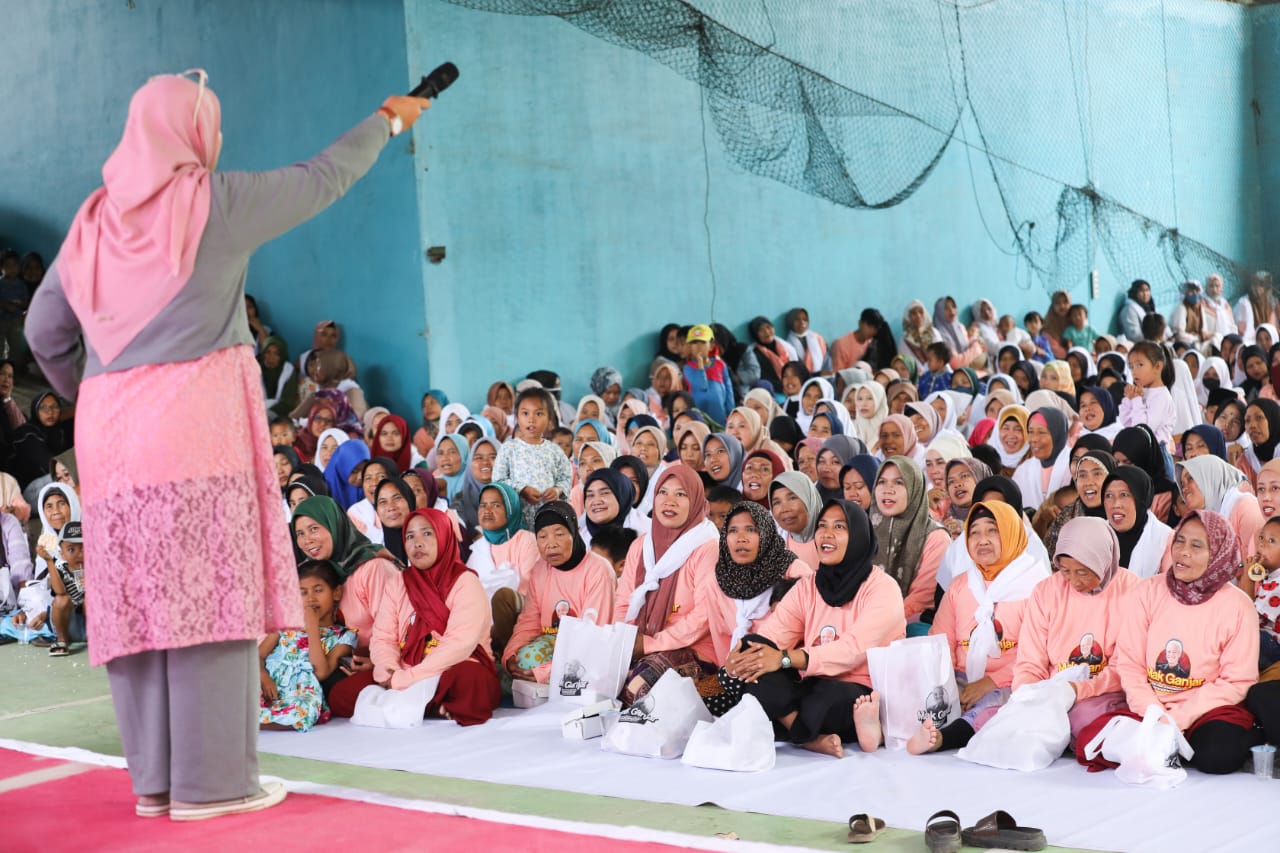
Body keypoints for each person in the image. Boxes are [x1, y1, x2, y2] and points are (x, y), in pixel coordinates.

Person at [24, 71, 431, 818]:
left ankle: (155, 784)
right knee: (208, 598)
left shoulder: (90, 222)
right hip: (194, 435)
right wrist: (388, 119)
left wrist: (94, 384)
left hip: (111, 446)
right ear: (195, 135)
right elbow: (323, 176)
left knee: (141, 604)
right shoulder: (212, 202)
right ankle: (214, 785)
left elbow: (42, 334)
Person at [724, 500, 906, 757]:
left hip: (861, 688)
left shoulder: (882, 588)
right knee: (753, 655)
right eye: (822, 526)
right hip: (810, 680)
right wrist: (741, 655)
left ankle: (794, 727)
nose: (827, 533)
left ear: (858, 537)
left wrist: (785, 659)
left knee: (824, 700)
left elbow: (852, 650)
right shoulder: (808, 586)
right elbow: (772, 635)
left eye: (839, 527)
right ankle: (808, 737)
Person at [1110, 510, 1262, 774]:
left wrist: (1180, 717)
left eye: (1196, 545)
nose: (1182, 552)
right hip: (1151, 704)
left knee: (1217, 755)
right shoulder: (1146, 592)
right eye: (1179, 541)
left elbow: (1237, 679)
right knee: (1107, 746)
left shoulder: (1238, 605)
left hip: (1206, 708)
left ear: (1217, 554)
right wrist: (1154, 713)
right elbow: (1129, 663)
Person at [910, 501, 1049, 755]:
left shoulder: (1035, 586)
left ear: (1010, 534)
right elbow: (941, 639)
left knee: (997, 705)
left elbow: (1037, 654)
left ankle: (943, 738)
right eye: (974, 532)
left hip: (1011, 681)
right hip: (961, 678)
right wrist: (947, 683)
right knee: (922, 692)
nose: (982, 540)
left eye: (992, 531)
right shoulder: (962, 585)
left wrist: (989, 682)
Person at [343, 509, 501, 725]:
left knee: (471, 681)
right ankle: (434, 706)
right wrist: (389, 670)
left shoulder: (465, 582)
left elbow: (459, 644)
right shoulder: (399, 581)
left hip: (453, 666)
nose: (417, 543)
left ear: (444, 536)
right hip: (405, 668)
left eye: (427, 533)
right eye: (410, 536)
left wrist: (407, 679)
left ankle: (414, 703)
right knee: (341, 693)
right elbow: (384, 636)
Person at [1013, 517, 1139, 744]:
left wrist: (1076, 690)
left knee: (1084, 719)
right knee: (992, 719)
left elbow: (1125, 667)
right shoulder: (1046, 592)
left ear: (1102, 560)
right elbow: (1030, 662)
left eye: (1082, 572)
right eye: (1065, 571)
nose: (1074, 582)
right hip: (1051, 692)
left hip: (1104, 692)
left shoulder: (1133, 592)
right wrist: (1029, 697)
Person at [614, 464, 719, 704]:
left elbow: (703, 617)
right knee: (593, 672)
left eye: (680, 494)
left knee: (637, 686)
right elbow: (623, 602)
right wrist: (624, 641)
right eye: (663, 492)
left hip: (698, 650)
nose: (668, 501)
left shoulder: (708, 547)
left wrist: (649, 644)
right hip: (643, 642)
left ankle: (709, 692)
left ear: (695, 501)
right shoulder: (641, 545)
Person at [502, 502, 617, 685]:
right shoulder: (540, 569)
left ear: (575, 532)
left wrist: (548, 671)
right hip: (550, 641)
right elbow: (529, 621)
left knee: (529, 661)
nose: (551, 544)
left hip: (590, 647)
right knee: (511, 671)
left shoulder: (598, 570)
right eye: (542, 536)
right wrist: (510, 655)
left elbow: (594, 634)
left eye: (560, 534)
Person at [257, 561, 356, 732]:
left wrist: (312, 626)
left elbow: (321, 672)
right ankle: (247, 719)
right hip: (269, 683)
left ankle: (253, 724)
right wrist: (264, 677)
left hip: (301, 691)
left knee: (305, 711)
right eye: (303, 593)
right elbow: (257, 655)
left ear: (337, 592)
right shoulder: (287, 625)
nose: (310, 598)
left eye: (318, 590)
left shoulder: (345, 636)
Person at [871, 457, 949, 627]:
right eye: (882, 482)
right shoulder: (866, 530)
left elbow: (920, 600)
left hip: (909, 627)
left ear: (915, 488)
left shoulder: (936, 537)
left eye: (899, 482)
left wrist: (876, 625)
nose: (887, 490)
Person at [493, 387, 573, 527]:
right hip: (519, 519)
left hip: (550, 518)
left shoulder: (554, 450)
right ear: (517, 417)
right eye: (525, 413)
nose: (531, 419)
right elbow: (498, 479)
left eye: (539, 414)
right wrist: (522, 489)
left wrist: (557, 490)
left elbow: (566, 476)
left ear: (549, 419)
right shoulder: (508, 449)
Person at [1101, 466, 1173, 579]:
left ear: (1141, 499)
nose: (1115, 504)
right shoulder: (1096, 535)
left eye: (1124, 495)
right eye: (1109, 496)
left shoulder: (1165, 539)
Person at [682, 324, 734, 425]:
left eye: (702, 342)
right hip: (700, 418)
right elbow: (701, 386)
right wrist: (700, 365)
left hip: (720, 416)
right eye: (694, 342)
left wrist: (730, 413)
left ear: (711, 345)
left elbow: (729, 390)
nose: (698, 346)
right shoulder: (688, 368)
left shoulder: (720, 365)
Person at [1236, 270, 1276, 343]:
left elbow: (1271, 328)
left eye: (1262, 285)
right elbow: (1241, 330)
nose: (1259, 288)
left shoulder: (1271, 303)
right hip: (1249, 342)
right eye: (1256, 284)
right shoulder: (1244, 302)